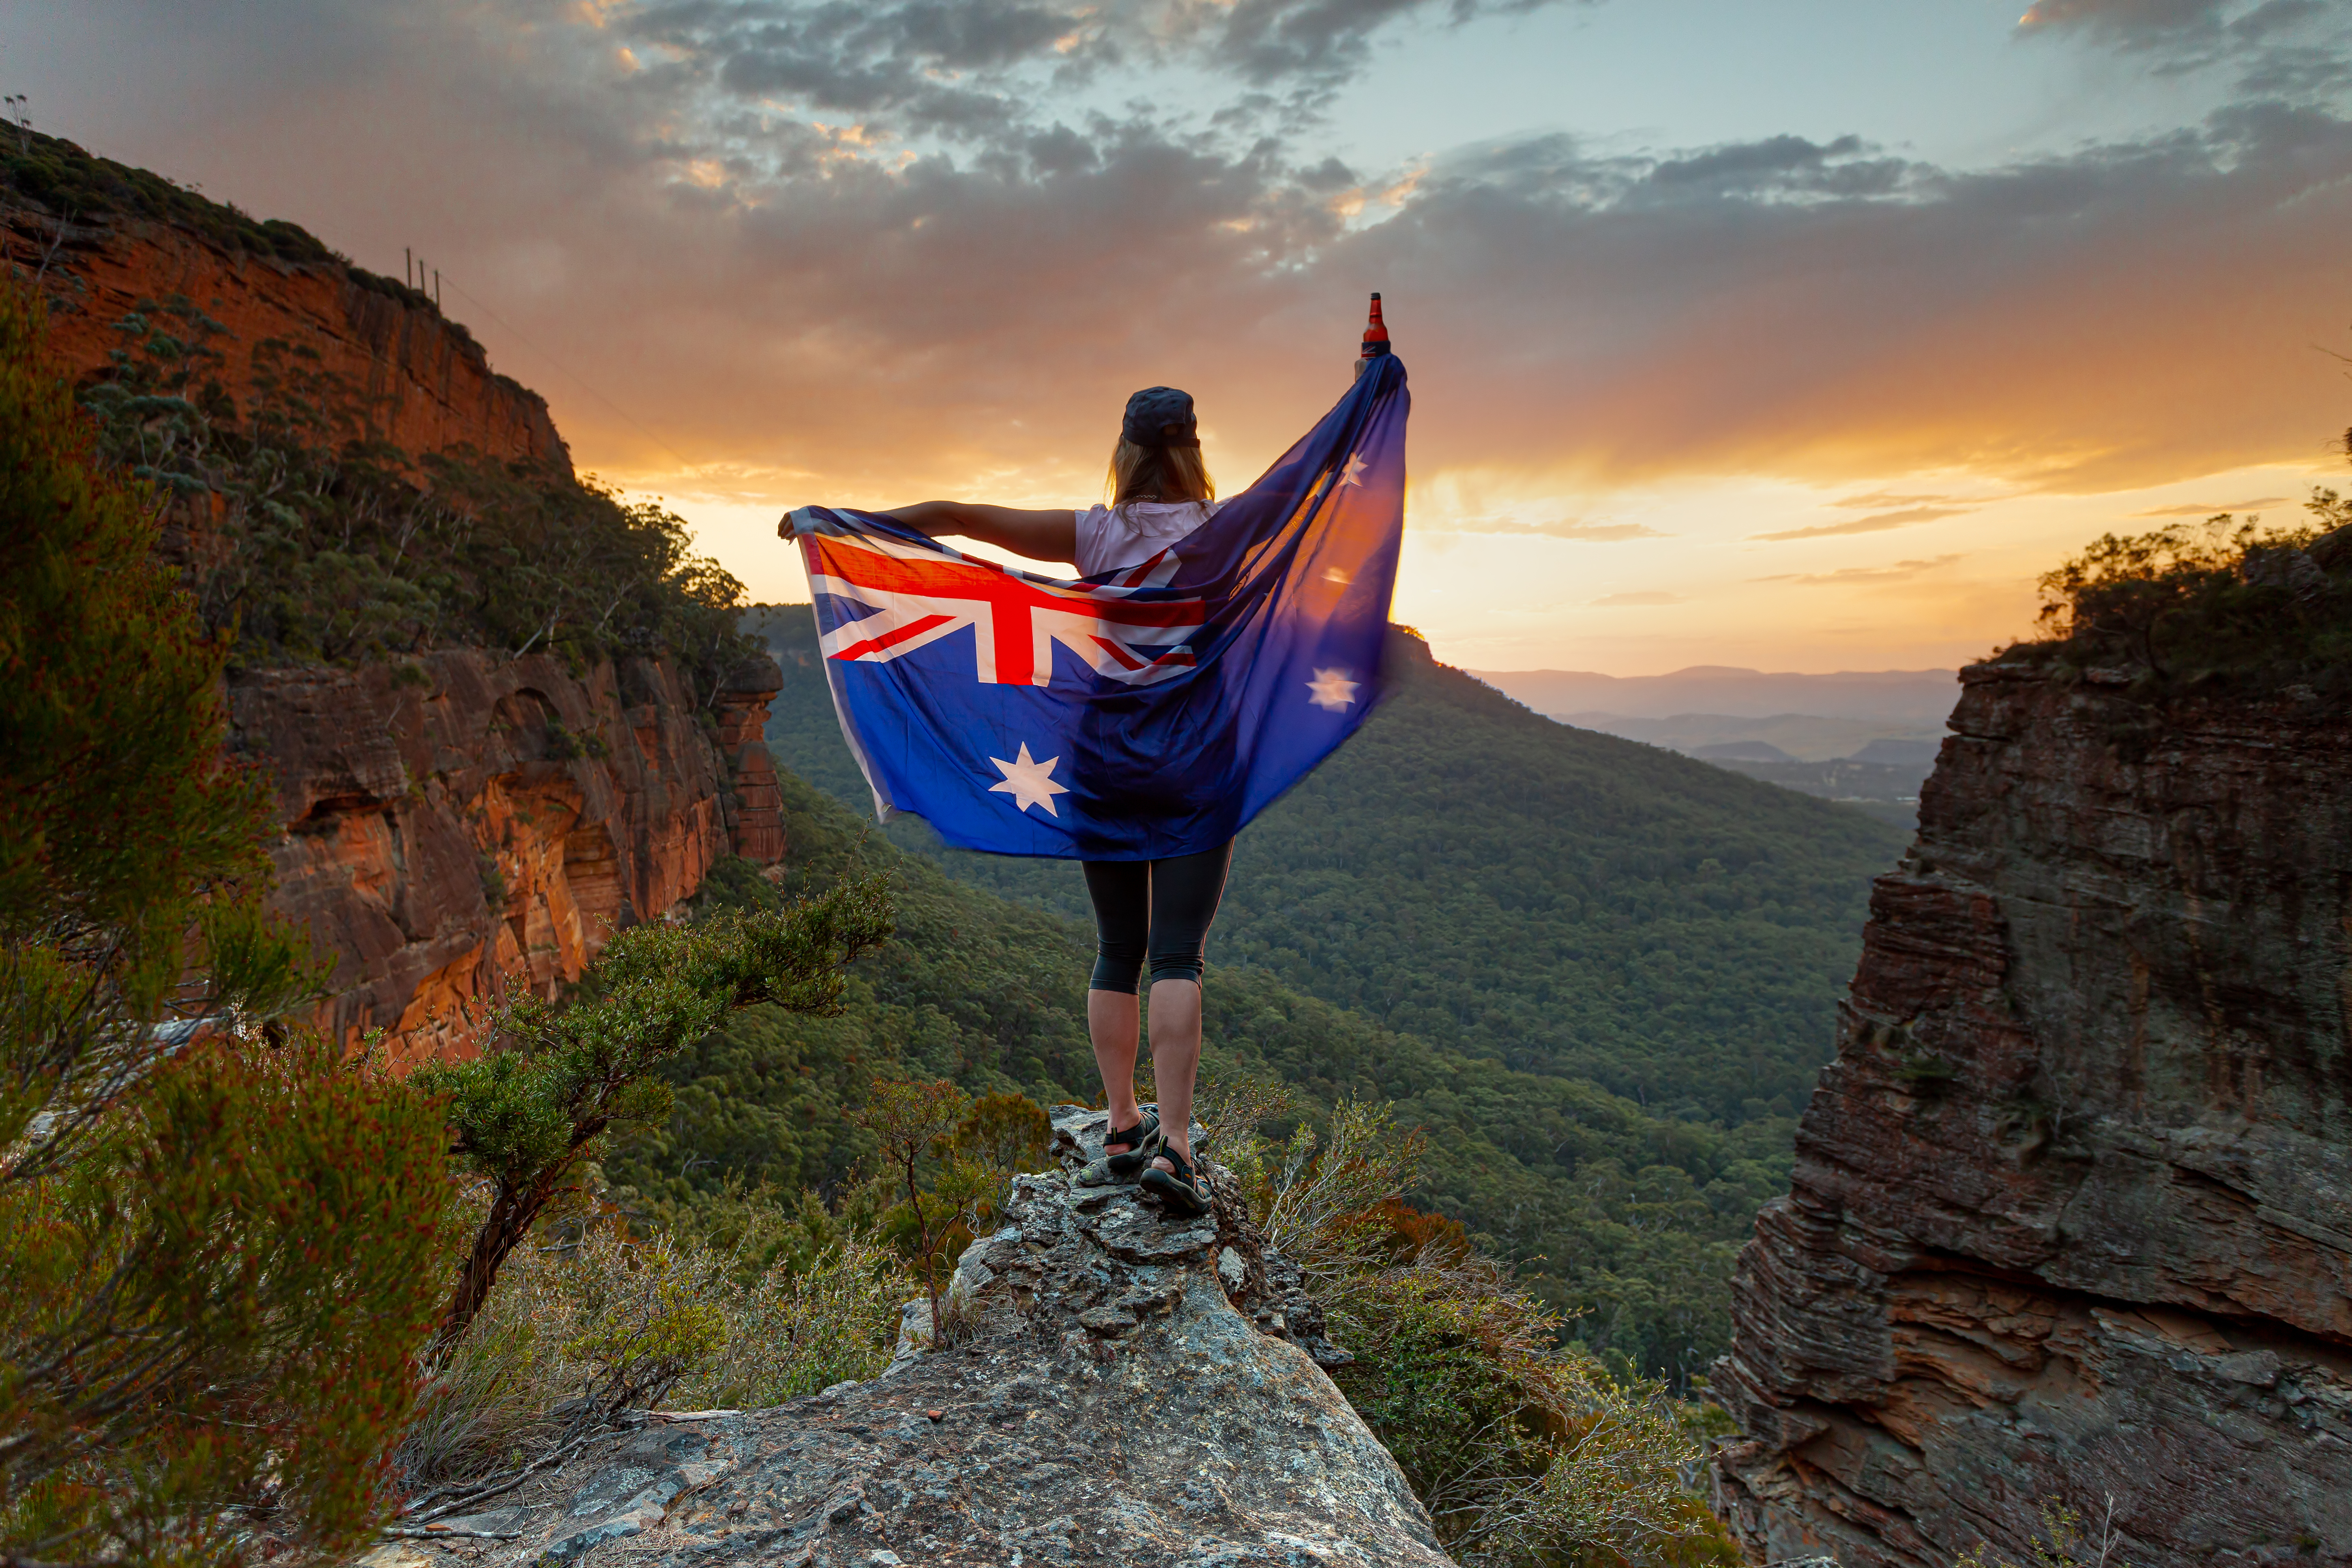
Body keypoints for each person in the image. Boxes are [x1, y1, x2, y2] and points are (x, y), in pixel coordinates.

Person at [777, 386, 1227, 1218]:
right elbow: (1330, 486)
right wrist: (1369, 383)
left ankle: (1122, 1123)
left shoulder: (1092, 532)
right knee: (1176, 954)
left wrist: (833, 521)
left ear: (1125, 450)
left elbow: (949, 514)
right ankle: (1179, 1144)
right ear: (1194, 449)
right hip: (1194, 756)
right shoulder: (1231, 526)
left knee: (1117, 943)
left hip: (1103, 757)